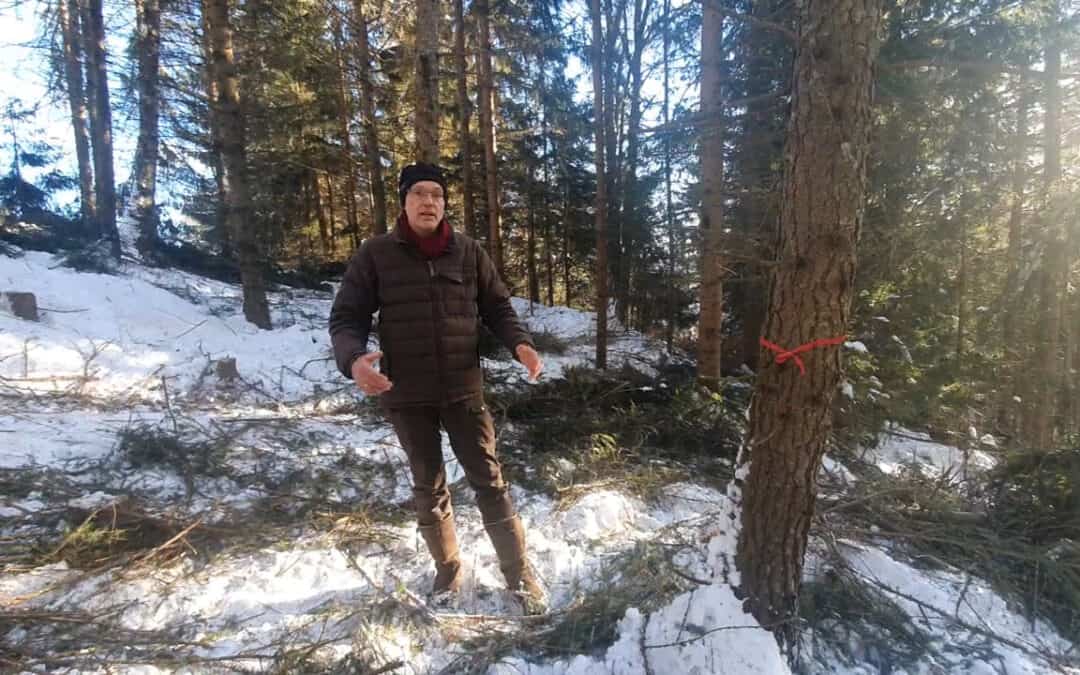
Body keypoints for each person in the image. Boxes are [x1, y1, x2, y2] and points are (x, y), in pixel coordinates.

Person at [329, 162, 547, 614]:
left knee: (490, 481)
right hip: (407, 396)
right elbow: (347, 318)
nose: (429, 202)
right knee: (428, 488)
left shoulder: (468, 253)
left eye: (437, 195)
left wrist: (521, 344)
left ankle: (518, 572)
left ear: (445, 204)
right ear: (404, 201)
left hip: (464, 392)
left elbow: (498, 308)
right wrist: (353, 360)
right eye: (419, 194)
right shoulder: (375, 255)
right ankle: (448, 569)